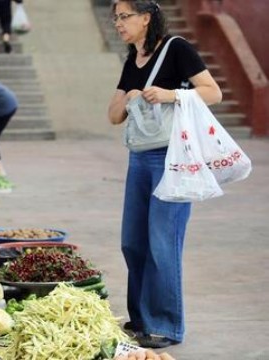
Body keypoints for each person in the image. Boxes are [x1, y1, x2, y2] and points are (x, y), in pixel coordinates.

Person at [107, 0, 222, 349]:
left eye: (124, 16)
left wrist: (172, 94)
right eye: (115, 18)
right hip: (139, 159)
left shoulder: (176, 49)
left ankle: (167, 326)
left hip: (172, 159)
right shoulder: (132, 59)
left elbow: (212, 92)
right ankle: (141, 319)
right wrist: (128, 95)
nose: (118, 23)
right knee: (133, 241)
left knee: (162, 243)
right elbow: (114, 116)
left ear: (146, 17)